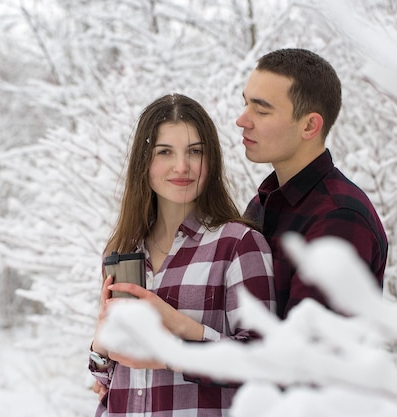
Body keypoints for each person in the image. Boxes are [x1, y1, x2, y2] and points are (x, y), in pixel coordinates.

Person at [89, 93, 276, 417]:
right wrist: (101, 341)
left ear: (211, 160)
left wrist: (175, 343)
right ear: (144, 161)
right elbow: (105, 378)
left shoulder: (238, 244)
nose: (181, 166)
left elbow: (262, 362)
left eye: (195, 152)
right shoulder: (123, 250)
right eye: (165, 152)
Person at [237, 48, 388, 319]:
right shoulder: (263, 203)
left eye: (260, 110)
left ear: (309, 126)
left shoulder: (338, 217)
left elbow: (305, 353)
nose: (242, 120)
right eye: (245, 103)